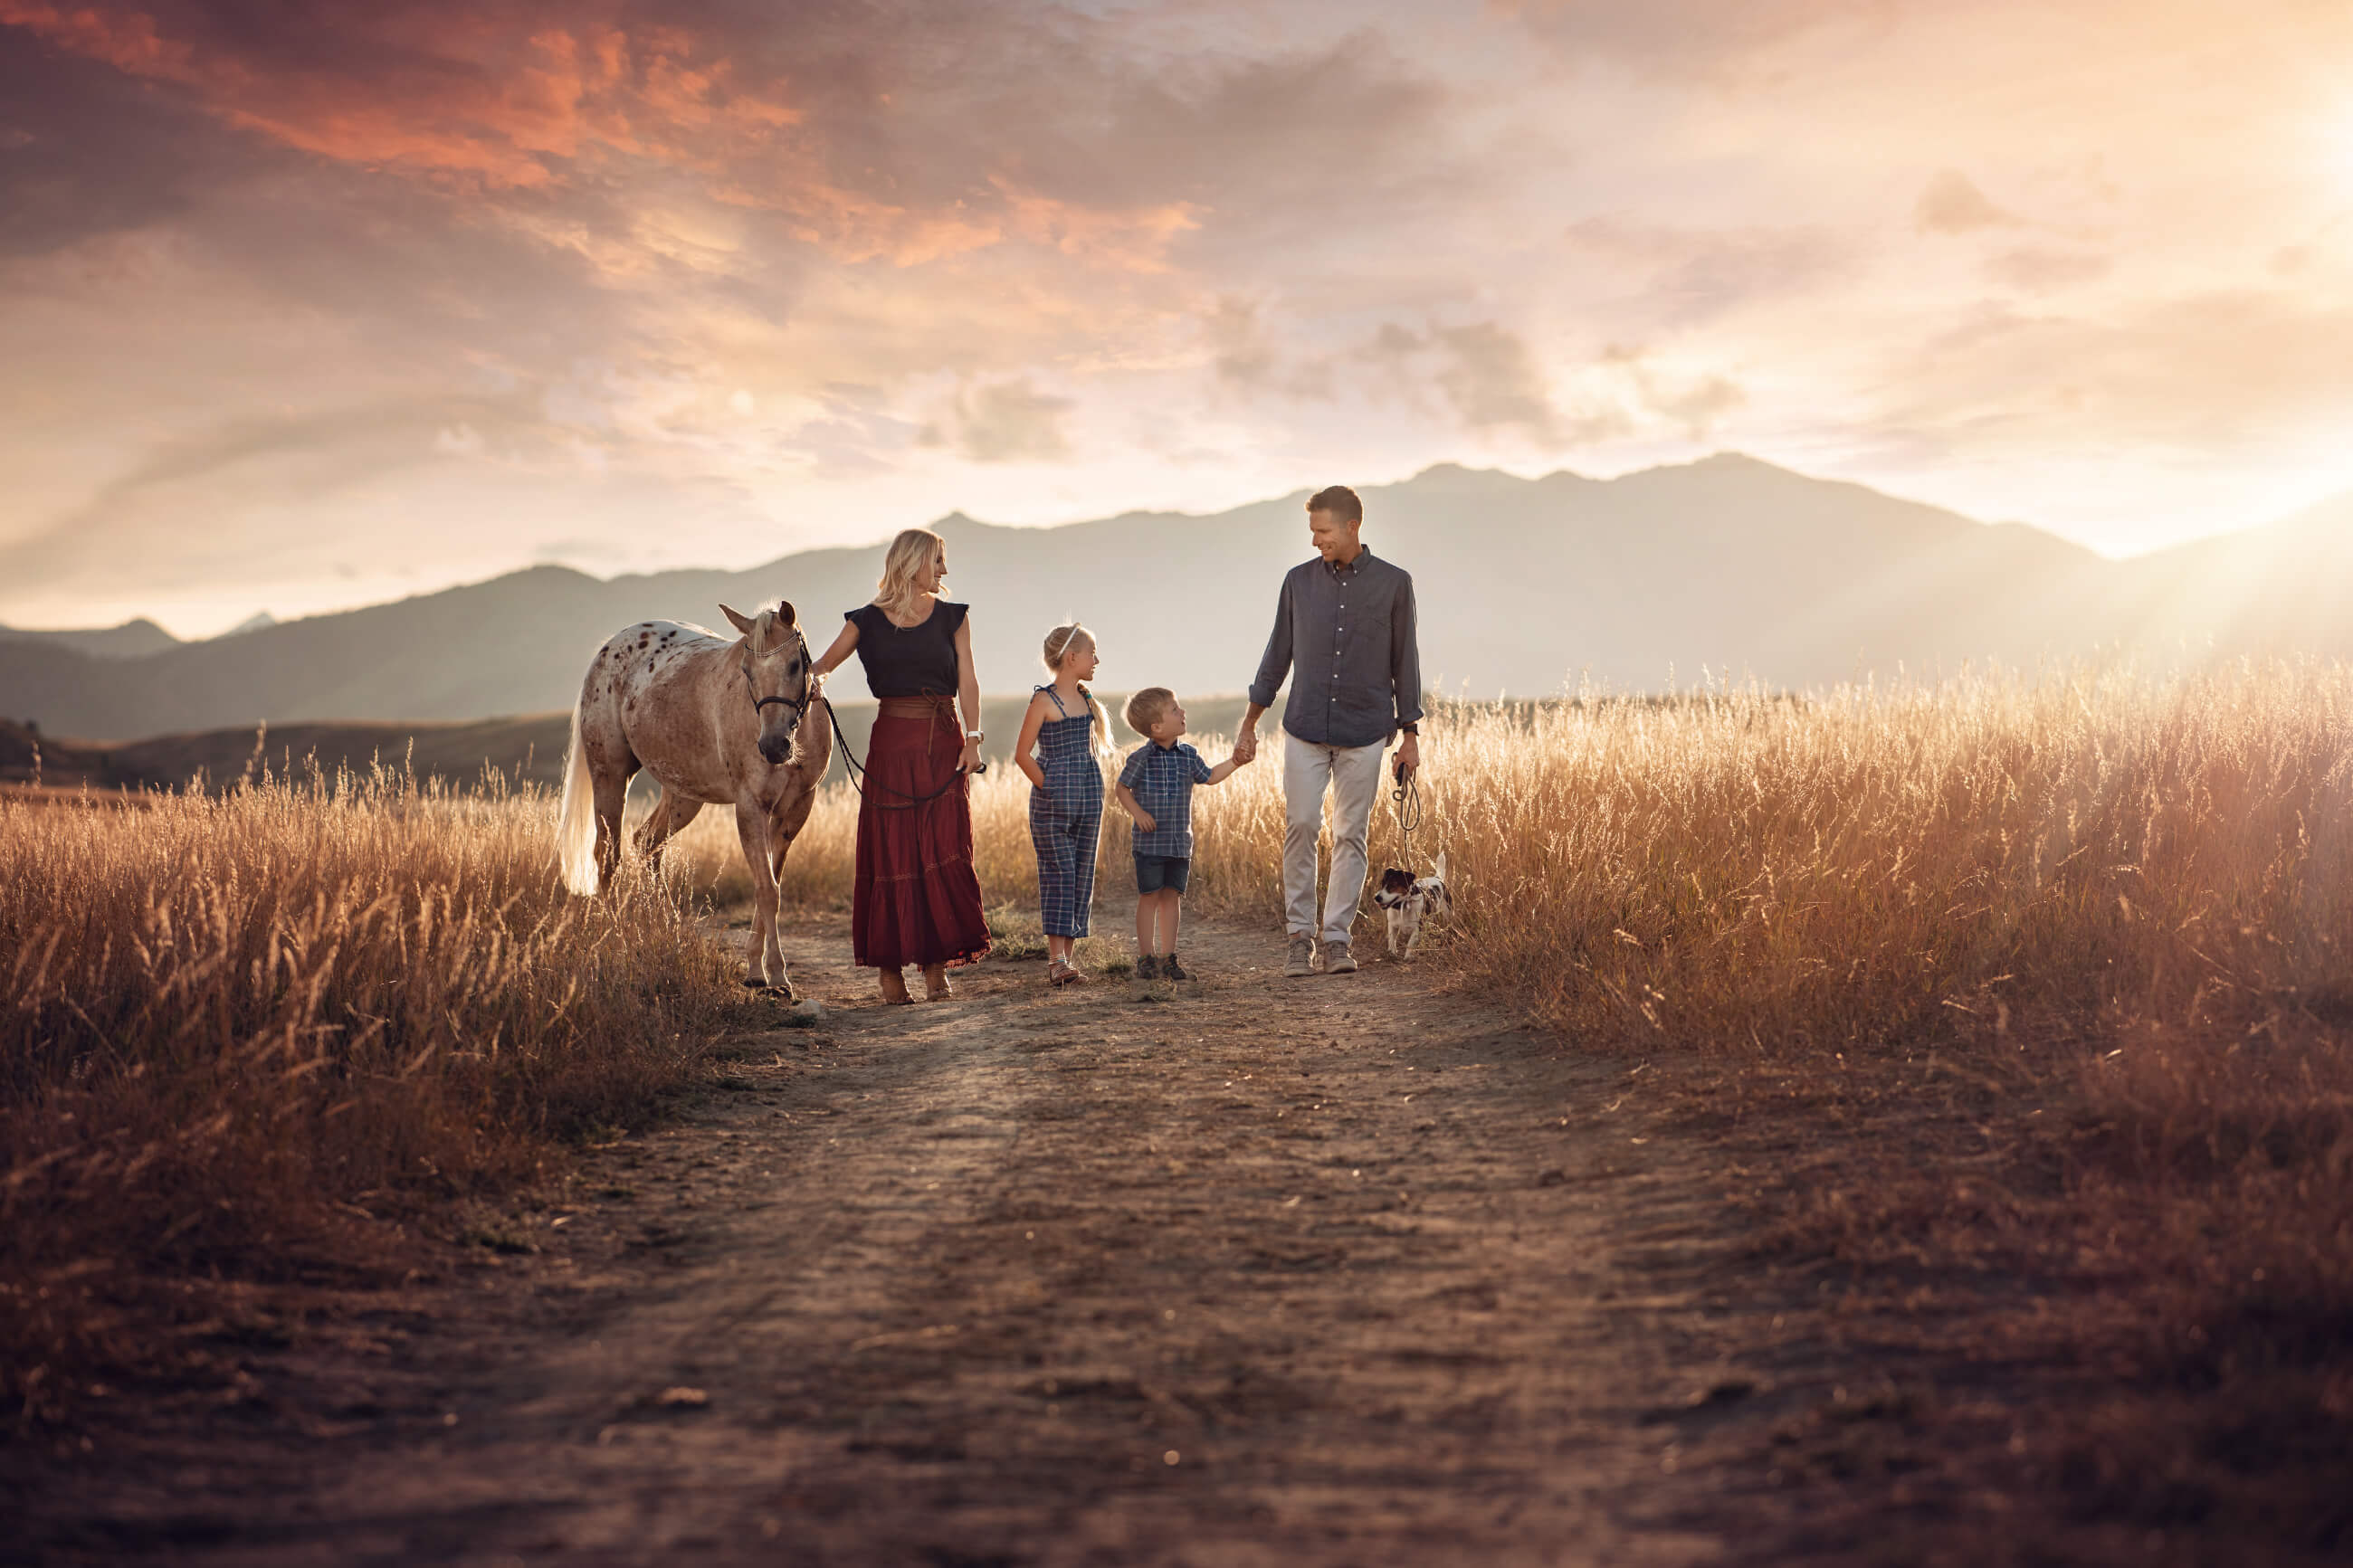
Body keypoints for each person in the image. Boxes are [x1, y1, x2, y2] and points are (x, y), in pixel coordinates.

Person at [1234, 484, 1423, 978]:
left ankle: (1337, 939)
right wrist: (1250, 722)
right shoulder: (1298, 583)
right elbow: (1277, 654)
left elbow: (1406, 662)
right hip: (1304, 728)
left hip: (1366, 730)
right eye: (1312, 532)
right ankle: (1301, 938)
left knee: (1350, 835)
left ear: (1352, 527)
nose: (1316, 540)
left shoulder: (1394, 584)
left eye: (1323, 531)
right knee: (1300, 825)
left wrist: (1410, 736)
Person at [809, 527, 991, 1003]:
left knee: (941, 845)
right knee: (890, 849)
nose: (944, 571)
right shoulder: (864, 621)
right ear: (913, 563)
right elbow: (822, 666)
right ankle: (889, 972)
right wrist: (806, 681)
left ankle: (935, 967)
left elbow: (968, 682)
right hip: (890, 741)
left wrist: (973, 738)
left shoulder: (954, 617)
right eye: (938, 560)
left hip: (944, 740)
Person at [1115, 687, 1250, 984]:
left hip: (1179, 843)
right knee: (1149, 896)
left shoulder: (1188, 755)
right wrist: (1138, 813)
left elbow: (1211, 777)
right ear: (1157, 727)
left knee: (1171, 897)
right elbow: (1121, 788)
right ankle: (1145, 958)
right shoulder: (1140, 758)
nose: (1183, 712)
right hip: (1149, 844)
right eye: (1175, 710)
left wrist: (1236, 762)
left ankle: (1168, 957)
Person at [1012, 622, 1109, 987]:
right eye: (1091, 654)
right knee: (1060, 875)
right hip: (1053, 805)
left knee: (1082, 875)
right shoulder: (1043, 701)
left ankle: (1067, 962)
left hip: (1089, 796)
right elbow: (1023, 755)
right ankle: (1056, 961)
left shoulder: (1085, 700)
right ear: (1072, 658)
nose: (1097, 660)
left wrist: (1085, 789)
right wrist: (1050, 787)